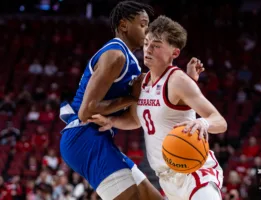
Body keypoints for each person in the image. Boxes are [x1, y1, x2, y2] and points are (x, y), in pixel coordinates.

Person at [59, 1, 201, 199]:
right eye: (143, 24)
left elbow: (136, 118)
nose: (147, 30)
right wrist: (131, 97)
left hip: (100, 138)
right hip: (82, 136)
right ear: (124, 25)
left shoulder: (134, 64)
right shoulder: (115, 54)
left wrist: (188, 83)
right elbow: (86, 111)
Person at [88, 16, 227, 200]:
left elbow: (220, 122)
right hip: (167, 181)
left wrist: (203, 122)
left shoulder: (178, 80)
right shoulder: (142, 82)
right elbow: (137, 120)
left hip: (194, 174)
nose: (148, 49)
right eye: (146, 43)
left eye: (156, 45)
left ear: (174, 53)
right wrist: (111, 121)